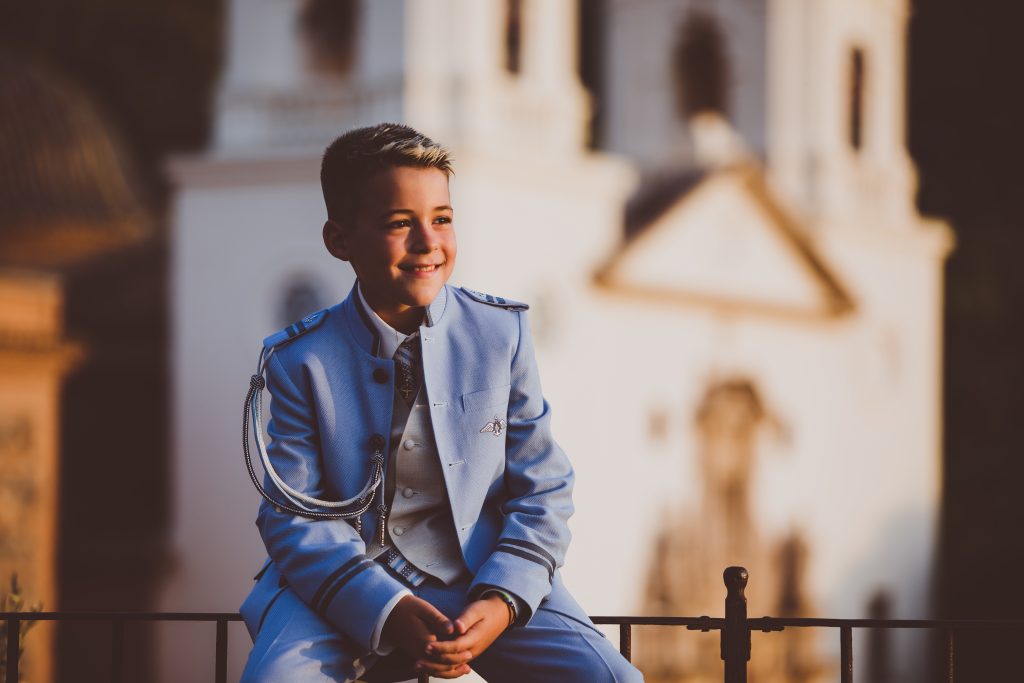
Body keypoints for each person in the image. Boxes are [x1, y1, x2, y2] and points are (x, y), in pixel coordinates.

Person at [239, 123, 643, 682]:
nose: (428, 242)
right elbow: (291, 513)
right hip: (343, 583)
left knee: (613, 680)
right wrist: (387, 609)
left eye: (442, 219)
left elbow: (544, 487)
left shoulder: (500, 334)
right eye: (399, 224)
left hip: (480, 576)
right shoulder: (297, 359)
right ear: (340, 240)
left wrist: (501, 601)